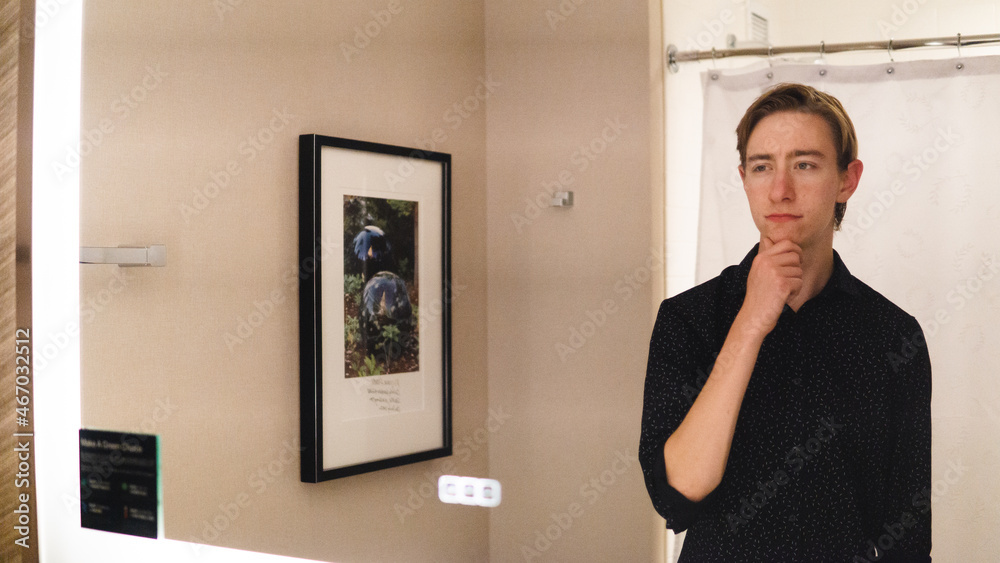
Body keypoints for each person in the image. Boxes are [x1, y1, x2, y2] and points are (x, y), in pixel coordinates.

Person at [639, 83, 932, 562]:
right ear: (744, 180)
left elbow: (908, 538)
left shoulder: (894, 336)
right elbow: (677, 495)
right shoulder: (688, 319)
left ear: (847, 180)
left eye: (804, 164)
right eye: (762, 167)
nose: (780, 190)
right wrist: (750, 322)